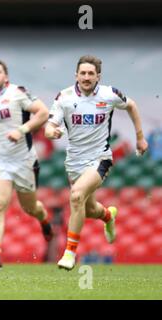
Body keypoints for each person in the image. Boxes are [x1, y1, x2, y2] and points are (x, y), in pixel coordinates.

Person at [45, 55, 148, 271]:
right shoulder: (64, 97)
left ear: (98, 77)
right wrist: (51, 132)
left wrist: (139, 137)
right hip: (74, 163)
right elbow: (49, 125)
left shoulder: (109, 94)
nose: (86, 77)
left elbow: (132, 105)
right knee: (89, 208)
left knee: (75, 196)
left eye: (91, 73)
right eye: (83, 73)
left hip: (100, 159)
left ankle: (69, 253)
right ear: (76, 75)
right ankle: (108, 216)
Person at [0, 59, 53, 270]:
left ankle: (44, 220)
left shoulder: (17, 93)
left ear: (5, 76)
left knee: (30, 208)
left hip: (23, 160)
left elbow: (43, 112)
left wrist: (22, 130)